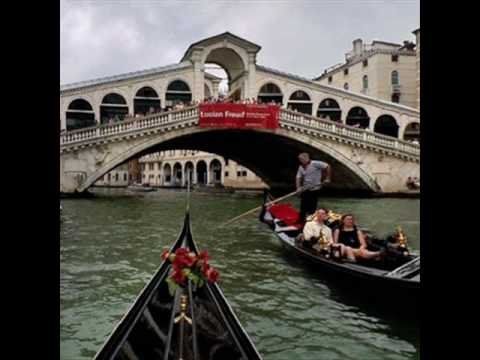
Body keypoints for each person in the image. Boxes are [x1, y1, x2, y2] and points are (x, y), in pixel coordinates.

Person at [296, 152, 331, 223]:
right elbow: (298, 177)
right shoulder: (301, 167)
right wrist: (298, 187)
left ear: (306, 158)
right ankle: (300, 220)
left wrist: (327, 178)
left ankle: (310, 221)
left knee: (312, 207)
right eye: (300, 159)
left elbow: (328, 166)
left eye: (301, 159)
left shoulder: (315, 163)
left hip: (315, 188)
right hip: (305, 188)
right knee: (303, 206)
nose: (300, 161)